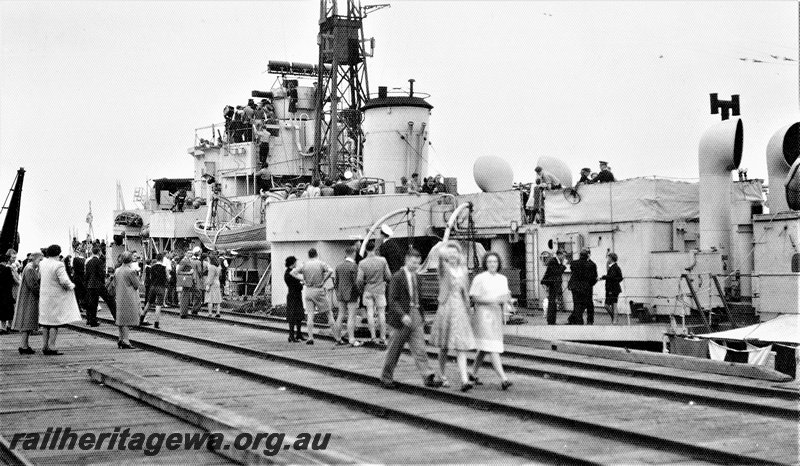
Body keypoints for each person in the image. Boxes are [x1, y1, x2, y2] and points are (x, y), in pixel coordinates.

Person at [381, 248, 443, 389]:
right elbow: (392, 300)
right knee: (394, 349)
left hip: (415, 315)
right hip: (400, 319)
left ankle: (427, 375)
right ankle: (386, 376)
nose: (416, 266)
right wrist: (402, 315)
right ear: (407, 260)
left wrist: (422, 316)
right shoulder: (397, 277)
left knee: (420, 348)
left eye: (418, 263)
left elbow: (419, 298)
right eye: (414, 263)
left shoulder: (418, 277)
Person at [430, 241, 476, 391]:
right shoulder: (444, 269)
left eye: (454, 252)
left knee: (460, 345)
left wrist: (469, 309)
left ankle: (464, 379)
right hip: (446, 307)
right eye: (449, 253)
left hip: (460, 308)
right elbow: (441, 261)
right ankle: (442, 374)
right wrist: (448, 244)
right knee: (444, 346)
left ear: (459, 254)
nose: (452, 255)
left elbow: (465, 291)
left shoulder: (463, 270)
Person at [468, 252, 513, 390]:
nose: (492, 264)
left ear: (498, 263)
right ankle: (503, 378)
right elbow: (474, 297)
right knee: (492, 346)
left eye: (495, 261)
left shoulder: (502, 279)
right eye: (489, 262)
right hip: (483, 314)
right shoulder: (480, 278)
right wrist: (493, 300)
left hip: (496, 314)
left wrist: (507, 304)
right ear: (485, 264)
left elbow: (505, 295)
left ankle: (472, 373)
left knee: (484, 346)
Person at [39, 245, 82, 355]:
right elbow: (64, 281)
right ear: (58, 253)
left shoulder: (42, 263)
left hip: (44, 296)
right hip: (55, 298)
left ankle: (44, 346)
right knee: (54, 323)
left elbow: (40, 277)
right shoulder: (58, 265)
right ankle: (52, 346)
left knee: (45, 323)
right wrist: (72, 286)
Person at [291, 248, 334, 345]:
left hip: (308, 290)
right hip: (319, 290)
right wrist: (324, 281)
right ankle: (337, 337)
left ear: (308, 255)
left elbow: (293, 272)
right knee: (329, 313)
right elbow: (330, 271)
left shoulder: (304, 264)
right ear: (316, 254)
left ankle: (310, 337)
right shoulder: (321, 263)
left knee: (310, 314)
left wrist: (303, 279)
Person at [357, 241, 392, 346]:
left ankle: (373, 336)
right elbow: (389, 276)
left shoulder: (362, 263)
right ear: (375, 249)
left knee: (370, 313)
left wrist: (362, 289)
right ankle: (383, 337)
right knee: (381, 313)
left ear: (366, 250)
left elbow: (359, 280)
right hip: (380, 290)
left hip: (368, 290)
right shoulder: (382, 260)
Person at [12, 251, 43, 354]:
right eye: (40, 260)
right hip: (29, 299)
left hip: (28, 298)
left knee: (27, 323)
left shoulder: (28, 267)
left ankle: (25, 345)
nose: (41, 262)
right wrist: (41, 292)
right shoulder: (30, 269)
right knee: (27, 323)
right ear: (35, 259)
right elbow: (32, 285)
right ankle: (24, 346)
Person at [333, 246, 360, 346]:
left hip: (340, 294)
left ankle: (338, 338)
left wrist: (338, 291)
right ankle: (352, 339)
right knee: (351, 316)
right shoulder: (354, 266)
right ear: (353, 253)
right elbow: (356, 282)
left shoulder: (338, 266)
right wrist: (359, 292)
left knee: (340, 315)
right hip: (351, 293)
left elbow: (336, 282)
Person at [84, 246, 116, 325]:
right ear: (99, 252)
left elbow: (87, 275)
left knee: (93, 303)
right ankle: (117, 318)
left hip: (90, 285)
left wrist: (87, 284)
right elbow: (101, 274)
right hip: (98, 284)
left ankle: (91, 320)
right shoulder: (99, 262)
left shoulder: (88, 262)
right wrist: (103, 282)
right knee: (110, 300)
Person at [114, 252, 140, 349]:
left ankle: (120, 338)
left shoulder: (117, 270)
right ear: (130, 260)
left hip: (120, 296)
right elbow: (136, 285)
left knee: (121, 318)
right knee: (127, 319)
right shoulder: (130, 271)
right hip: (128, 297)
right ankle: (126, 340)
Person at [567, 248, 598, 325]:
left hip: (575, 287)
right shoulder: (592, 265)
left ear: (580, 255)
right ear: (588, 255)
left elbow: (573, 270)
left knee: (577, 305)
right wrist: (590, 284)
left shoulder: (574, 263)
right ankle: (590, 321)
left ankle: (578, 321)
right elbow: (594, 277)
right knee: (589, 304)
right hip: (586, 288)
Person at [141, 253, 167, 328]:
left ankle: (141, 319)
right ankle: (156, 323)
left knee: (148, 304)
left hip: (152, 287)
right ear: (162, 259)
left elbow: (150, 277)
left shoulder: (152, 267)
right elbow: (168, 277)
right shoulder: (164, 267)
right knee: (158, 306)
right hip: (161, 287)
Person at [541, 250, 566, 325]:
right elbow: (557, 273)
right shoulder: (553, 261)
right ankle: (551, 321)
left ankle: (552, 320)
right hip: (553, 285)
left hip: (554, 284)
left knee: (553, 303)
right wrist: (563, 265)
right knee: (552, 303)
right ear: (559, 255)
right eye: (563, 255)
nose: (564, 257)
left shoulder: (556, 262)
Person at [284, 256, 305, 342]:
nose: (296, 264)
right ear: (292, 263)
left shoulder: (287, 272)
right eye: (295, 262)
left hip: (293, 295)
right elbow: (297, 285)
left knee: (297, 315)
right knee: (294, 316)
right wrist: (302, 284)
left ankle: (298, 334)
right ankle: (292, 336)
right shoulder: (290, 273)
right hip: (294, 295)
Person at [600, 252, 624, 324]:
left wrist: (603, 277)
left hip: (612, 289)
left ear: (611, 258)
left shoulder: (615, 267)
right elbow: (619, 278)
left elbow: (613, 277)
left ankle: (614, 319)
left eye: (608, 258)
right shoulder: (613, 267)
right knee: (613, 304)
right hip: (612, 288)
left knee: (610, 305)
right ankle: (614, 319)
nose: (607, 259)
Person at [177, 252, 198, 318]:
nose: (190, 254)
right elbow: (178, 271)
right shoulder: (183, 261)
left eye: (191, 253)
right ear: (185, 253)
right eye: (189, 253)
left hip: (190, 281)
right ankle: (183, 314)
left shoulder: (189, 260)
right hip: (186, 280)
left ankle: (189, 311)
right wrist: (188, 273)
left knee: (196, 294)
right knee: (185, 297)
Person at [0, 254, 16, 333]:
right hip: (7, 291)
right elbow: (11, 281)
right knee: (9, 309)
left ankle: (2, 327)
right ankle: (9, 326)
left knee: (1, 310)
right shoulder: (7, 269)